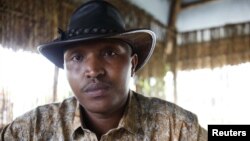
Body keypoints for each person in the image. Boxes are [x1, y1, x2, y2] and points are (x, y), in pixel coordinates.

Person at [0, 0, 207, 140]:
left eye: (109, 53)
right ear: (65, 68)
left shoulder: (177, 128)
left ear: (132, 64)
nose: (93, 70)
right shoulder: (32, 129)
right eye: (77, 57)